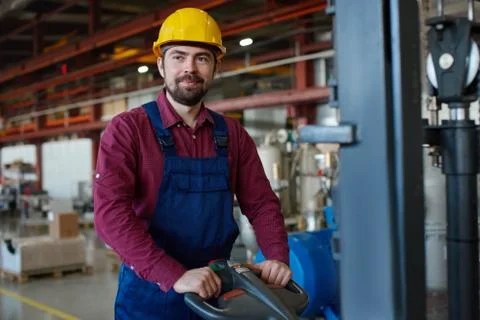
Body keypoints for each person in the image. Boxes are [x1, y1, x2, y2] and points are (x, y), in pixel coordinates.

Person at [93, 7, 291, 319]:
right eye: (178, 56)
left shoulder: (233, 135)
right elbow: (110, 215)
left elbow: (262, 203)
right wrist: (174, 275)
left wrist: (277, 257)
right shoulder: (128, 130)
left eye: (202, 58)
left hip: (218, 293)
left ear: (216, 66)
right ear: (160, 64)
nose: (190, 67)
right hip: (151, 294)